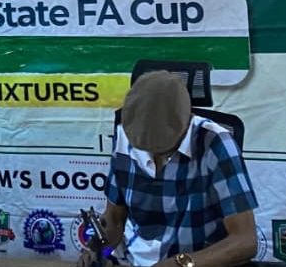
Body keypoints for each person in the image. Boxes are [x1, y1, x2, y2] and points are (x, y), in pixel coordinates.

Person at [82, 71, 258, 267]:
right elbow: (115, 220)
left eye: (161, 146)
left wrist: (181, 263)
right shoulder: (125, 135)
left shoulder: (215, 142)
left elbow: (245, 241)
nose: (151, 152)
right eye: (144, 146)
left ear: (187, 123)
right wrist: (99, 250)